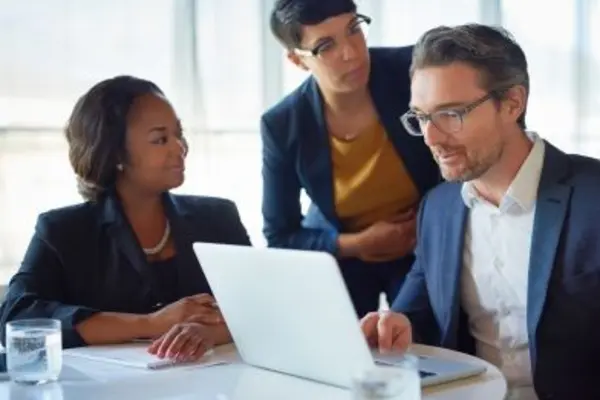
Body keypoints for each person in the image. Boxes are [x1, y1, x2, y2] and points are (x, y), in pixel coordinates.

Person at [359, 24, 600, 399]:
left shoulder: (593, 196)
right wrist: (397, 324)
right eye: (421, 117)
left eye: (451, 114)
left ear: (512, 104)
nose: (431, 138)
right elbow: (417, 310)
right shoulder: (437, 209)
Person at [0, 76, 251, 362]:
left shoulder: (219, 218)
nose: (179, 147)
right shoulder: (63, 231)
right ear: (115, 153)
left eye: (179, 134)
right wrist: (152, 323)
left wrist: (212, 334)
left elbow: (263, 307)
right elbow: (16, 317)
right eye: (160, 139)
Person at [262, 0, 440, 317]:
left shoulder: (412, 71)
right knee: (339, 350)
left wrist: (427, 226)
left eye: (354, 29)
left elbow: (464, 155)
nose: (352, 52)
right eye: (325, 45)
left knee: (430, 332)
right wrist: (357, 243)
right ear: (297, 60)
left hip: (424, 241)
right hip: (343, 251)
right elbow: (280, 234)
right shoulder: (282, 124)